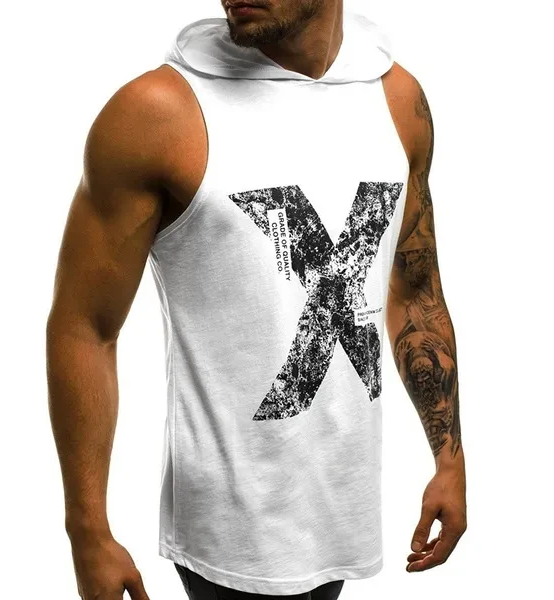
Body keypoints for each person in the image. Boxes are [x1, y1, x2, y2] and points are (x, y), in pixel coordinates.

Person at [46, 1, 467, 598]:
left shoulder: (398, 102)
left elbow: (416, 287)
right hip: (230, 532)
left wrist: (449, 461)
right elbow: (85, 326)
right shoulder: (158, 113)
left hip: (342, 515)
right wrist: (87, 531)